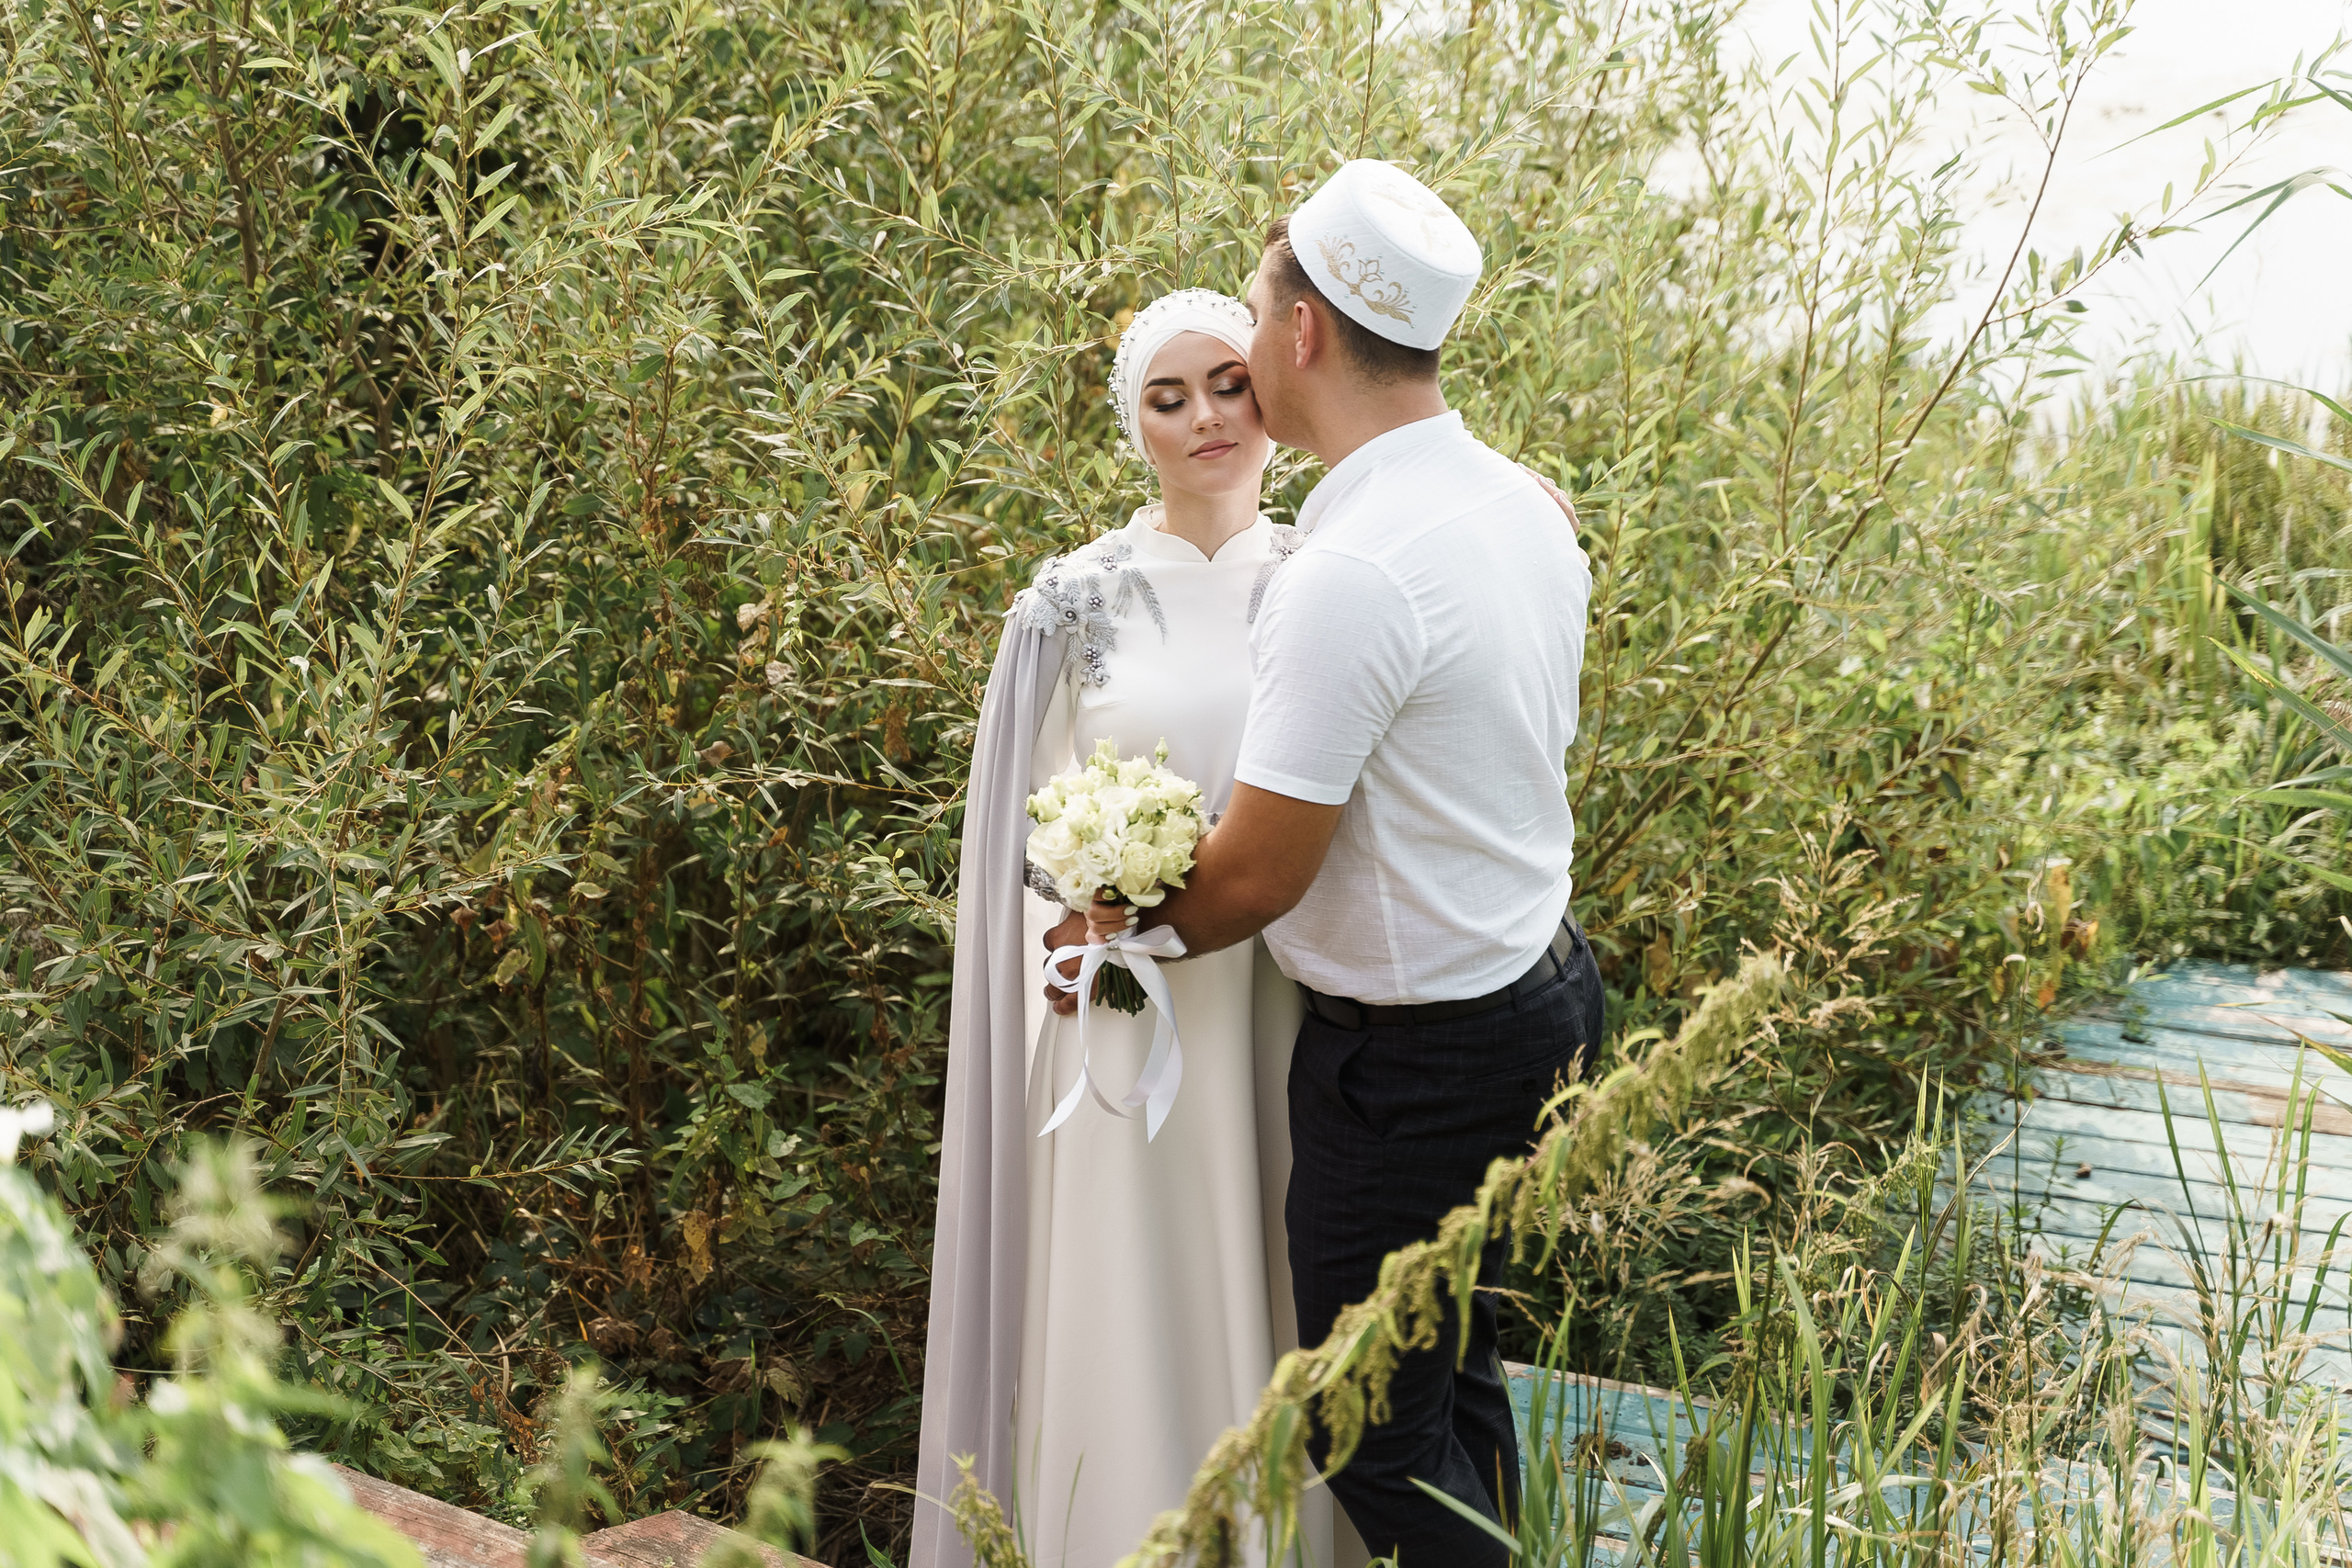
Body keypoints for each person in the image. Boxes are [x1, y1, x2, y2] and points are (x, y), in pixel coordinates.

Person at [1101, 161, 1604, 1567]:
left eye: (1259, 316)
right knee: (1456, 1370)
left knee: (1363, 1423)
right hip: (1541, 991)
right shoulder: (1516, 504)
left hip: (1419, 1057)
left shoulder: (1351, 572)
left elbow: (1256, 880)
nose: (1247, 356)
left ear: (1306, 333)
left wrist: (1107, 927)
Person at [911, 288, 1338, 1568]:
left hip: (1286, 1012)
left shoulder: (1332, 578)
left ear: (1272, 391)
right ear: (1132, 426)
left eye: (1227, 383)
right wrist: (1082, 904)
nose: (1206, 417)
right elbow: (1018, 845)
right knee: (1124, 1299)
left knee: (1282, 1281)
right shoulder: (1072, 602)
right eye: (1168, 397)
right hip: (1117, 1025)